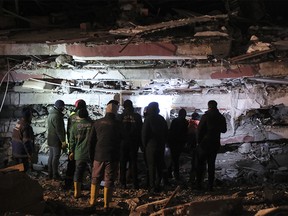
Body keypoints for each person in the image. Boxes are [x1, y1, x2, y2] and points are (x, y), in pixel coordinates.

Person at [88, 102, 121, 211]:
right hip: (112, 156)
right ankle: (106, 205)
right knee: (109, 179)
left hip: (98, 155)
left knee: (95, 178)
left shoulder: (97, 123)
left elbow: (91, 141)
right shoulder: (118, 124)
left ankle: (92, 202)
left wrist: (92, 155)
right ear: (116, 112)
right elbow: (121, 141)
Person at [196, 100, 227, 191]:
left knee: (201, 164)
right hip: (215, 143)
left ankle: (199, 184)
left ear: (208, 106)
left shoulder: (205, 116)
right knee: (211, 164)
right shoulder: (221, 117)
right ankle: (210, 186)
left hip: (204, 143)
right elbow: (224, 130)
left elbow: (199, 130)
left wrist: (198, 142)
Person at [142, 102, 168, 193]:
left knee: (151, 166)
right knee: (159, 165)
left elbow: (144, 133)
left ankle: (152, 186)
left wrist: (144, 145)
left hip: (151, 146)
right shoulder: (161, 118)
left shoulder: (148, 119)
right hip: (160, 146)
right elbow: (166, 132)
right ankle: (158, 184)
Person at [69, 108, 93, 198]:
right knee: (93, 173)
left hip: (79, 153)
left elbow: (72, 141)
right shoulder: (92, 124)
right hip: (91, 153)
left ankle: (77, 192)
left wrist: (71, 151)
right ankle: (93, 193)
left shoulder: (74, 126)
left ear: (79, 116)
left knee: (78, 172)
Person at [119, 99, 142, 189]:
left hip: (123, 143)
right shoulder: (137, 117)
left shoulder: (120, 117)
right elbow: (140, 130)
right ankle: (135, 183)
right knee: (133, 163)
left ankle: (122, 183)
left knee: (123, 163)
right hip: (134, 143)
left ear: (124, 107)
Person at [64, 99, 87, 190]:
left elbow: (68, 131)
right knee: (81, 166)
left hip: (72, 143)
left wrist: (70, 144)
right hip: (83, 145)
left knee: (71, 164)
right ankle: (78, 185)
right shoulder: (86, 117)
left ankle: (68, 184)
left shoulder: (72, 116)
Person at [47, 99, 67, 180]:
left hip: (50, 139)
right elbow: (59, 130)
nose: (63, 108)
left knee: (51, 157)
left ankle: (50, 173)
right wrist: (63, 141)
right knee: (55, 157)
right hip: (56, 140)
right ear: (60, 107)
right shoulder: (57, 116)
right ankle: (55, 174)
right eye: (63, 107)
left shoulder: (51, 114)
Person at [11, 107, 34, 172]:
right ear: (28, 116)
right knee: (23, 171)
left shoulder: (19, 123)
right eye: (31, 115)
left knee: (17, 171)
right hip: (22, 154)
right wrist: (30, 154)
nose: (32, 117)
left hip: (16, 152)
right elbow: (26, 142)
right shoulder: (26, 126)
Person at [168, 108, 188, 181]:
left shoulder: (175, 120)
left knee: (172, 158)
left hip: (173, 141)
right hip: (179, 142)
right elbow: (185, 133)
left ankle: (169, 173)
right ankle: (176, 175)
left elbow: (171, 131)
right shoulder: (185, 122)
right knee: (176, 159)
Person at [187, 112, 201, 184]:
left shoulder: (189, 123)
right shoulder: (198, 123)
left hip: (191, 143)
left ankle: (192, 177)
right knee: (197, 160)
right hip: (196, 143)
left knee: (193, 158)